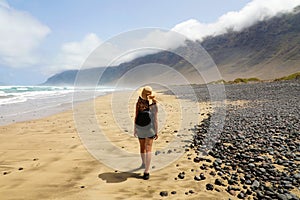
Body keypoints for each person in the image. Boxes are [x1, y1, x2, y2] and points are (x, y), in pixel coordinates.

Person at [134, 86, 158, 180]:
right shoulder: (154, 104)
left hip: (140, 128)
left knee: (142, 147)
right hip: (150, 128)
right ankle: (146, 172)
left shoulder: (138, 103)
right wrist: (156, 131)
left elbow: (136, 116)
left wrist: (135, 128)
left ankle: (143, 163)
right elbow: (155, 120)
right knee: (149, 149)